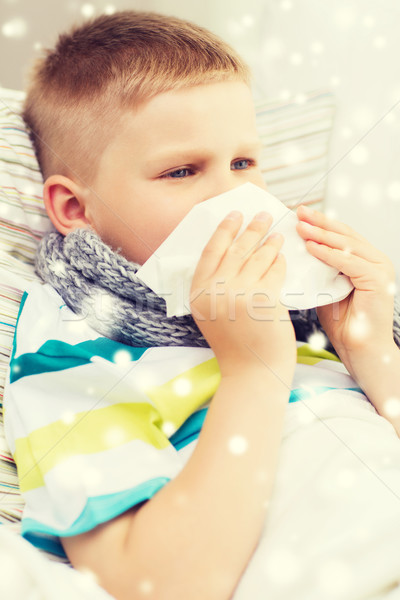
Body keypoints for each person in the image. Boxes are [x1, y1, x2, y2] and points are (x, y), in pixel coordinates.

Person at [4, 10, 400, 600]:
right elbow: (158, 585)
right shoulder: (70, 353)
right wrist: (250, 370)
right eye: (181, 170)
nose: (236, 195)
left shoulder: (306, 313)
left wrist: (368, 349)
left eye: (244, 163)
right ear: (75, 209)